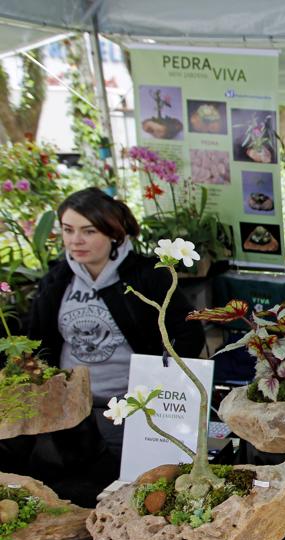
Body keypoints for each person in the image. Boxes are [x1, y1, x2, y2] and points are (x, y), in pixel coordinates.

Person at [21, 188, 203, 492]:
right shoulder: (56, 279)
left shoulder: (146, 276)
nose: (75, 240)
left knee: (137, 489)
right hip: (72, 415)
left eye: (88, 231)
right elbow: (37, 339)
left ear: (114, 234)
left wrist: (159, 382)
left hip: (132, 412)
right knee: (79, 492)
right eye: (68, 230)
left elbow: (188, 332)